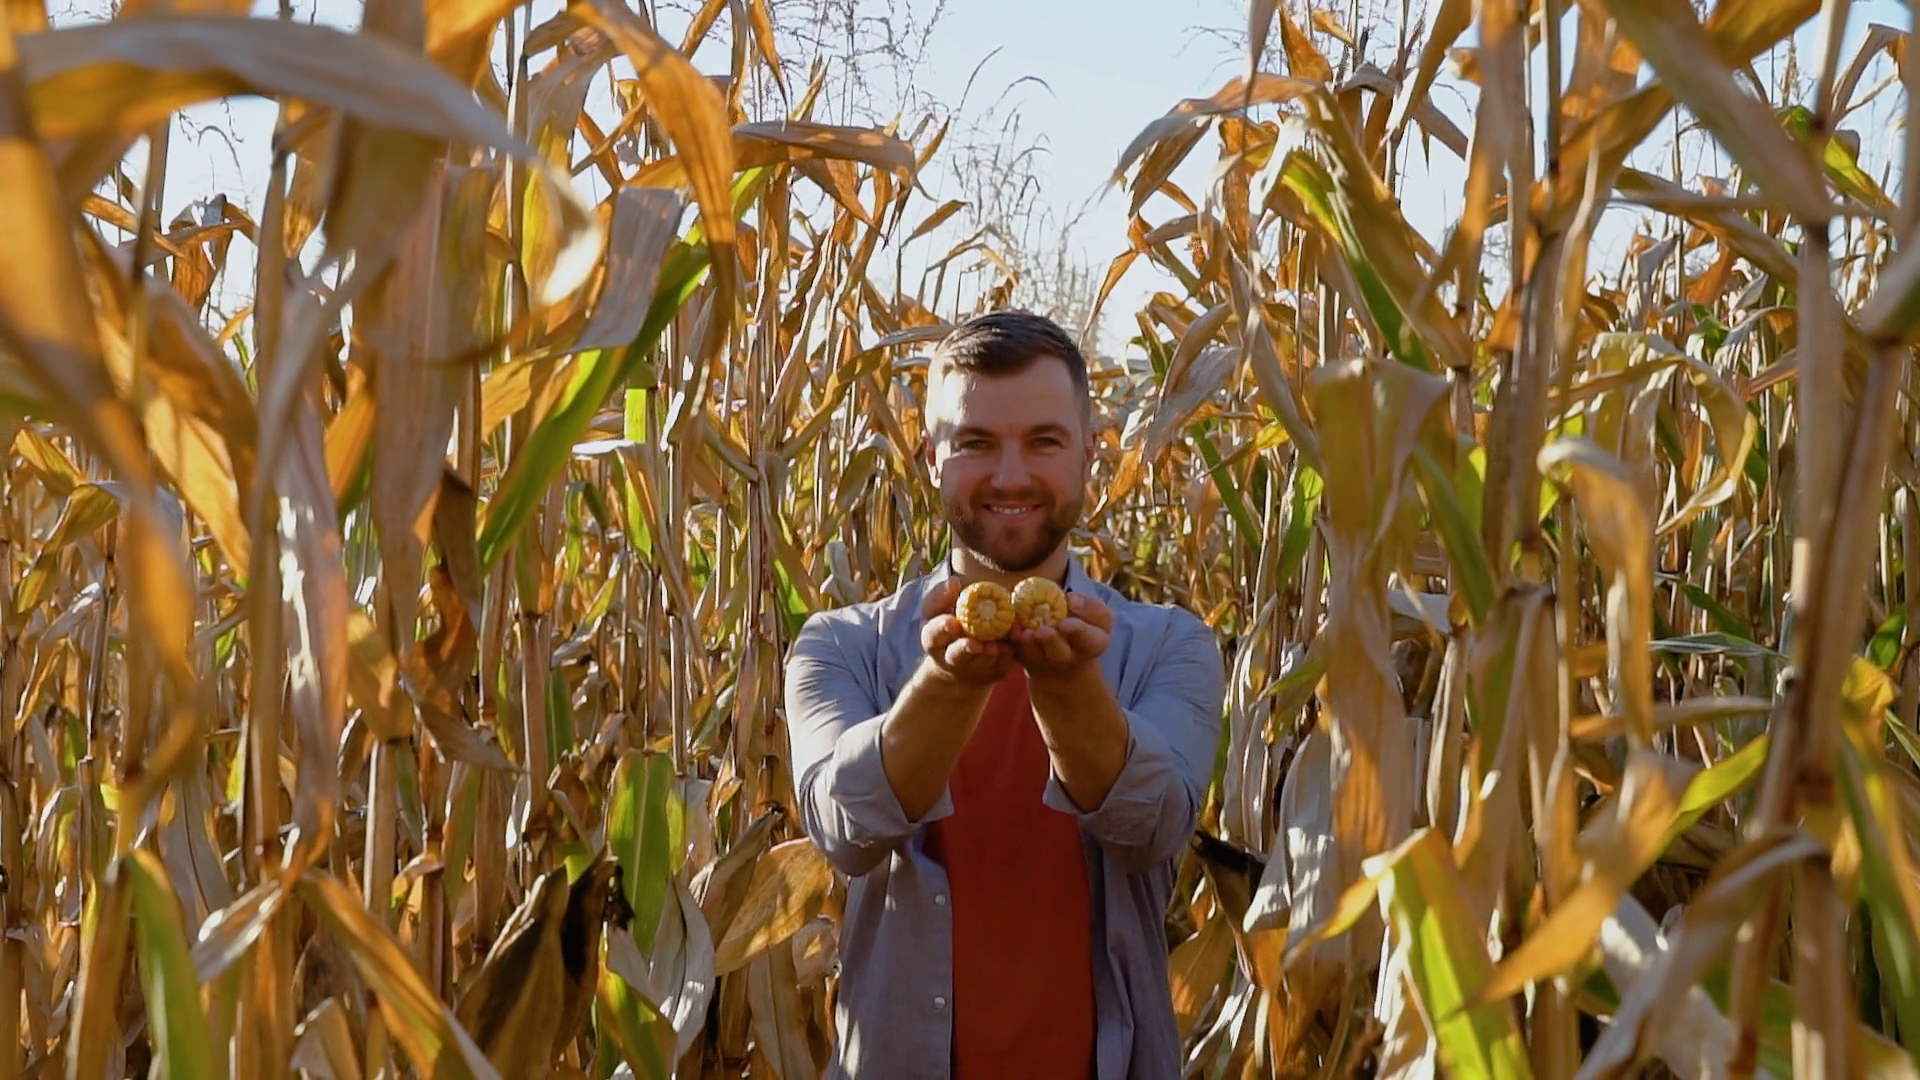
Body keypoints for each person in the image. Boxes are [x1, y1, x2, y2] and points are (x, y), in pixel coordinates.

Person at [781, 310, 1227, 1080]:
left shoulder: (1169, 646)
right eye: (976, 443)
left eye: (1044, 442)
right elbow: (844, 829)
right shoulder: (841, 647)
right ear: (930, 457)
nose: (1011, 476)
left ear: (1091, 452)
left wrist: (1067, 687)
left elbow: (1153, 829)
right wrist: (949, 684)